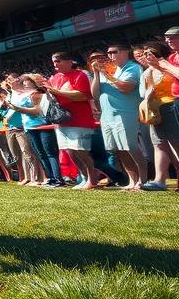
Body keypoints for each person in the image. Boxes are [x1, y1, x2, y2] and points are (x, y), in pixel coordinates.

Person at [139, 28, 179, 189]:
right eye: (167, 38)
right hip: (169, 105)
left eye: (173, 37)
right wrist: (159, 66)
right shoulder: (171, 58)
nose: (169, 40)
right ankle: (178, 181)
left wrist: (162, 65)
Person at [91, 43, 144, 191]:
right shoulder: (107, 70)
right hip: (108, 116)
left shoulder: (132, 67)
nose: (110, 56)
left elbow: (126, 88)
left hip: (125, 113)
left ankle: (143, 179)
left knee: (131, 148)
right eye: (108, 53)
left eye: (114, 52)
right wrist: (96, 73)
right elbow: (94, 94)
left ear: (126, 51)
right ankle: (132, 180)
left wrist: (107, 75)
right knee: (118, 150)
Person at [44, 52, 97, 190]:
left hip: (79, 119)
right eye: (54, 61)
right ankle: (84, 177)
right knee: (70, 151)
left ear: (70, 61)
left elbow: (83, 96)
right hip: (62, 120)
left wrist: (56, 92)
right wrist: (50, 93)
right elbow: (54, 98)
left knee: (81, 150)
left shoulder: (80, 75)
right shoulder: (54, 77)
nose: (56, 64)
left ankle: (92, 179)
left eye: (59, 61)